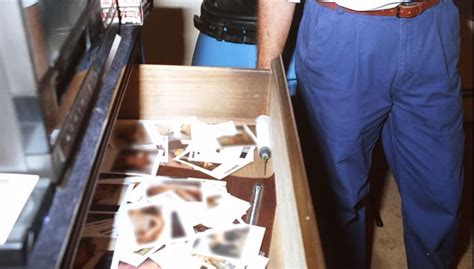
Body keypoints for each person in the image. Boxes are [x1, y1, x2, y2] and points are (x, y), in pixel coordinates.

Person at [257, 0, 464, 268]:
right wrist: (263, 82)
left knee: (439, 188)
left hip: (434, 24)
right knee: (337, 196)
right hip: (342, 33)